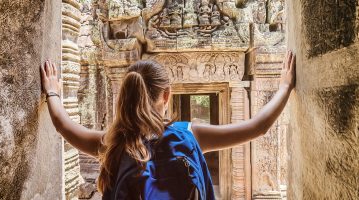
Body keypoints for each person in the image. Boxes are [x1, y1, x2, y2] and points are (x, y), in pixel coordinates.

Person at [40, 51, 296, 199]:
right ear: (166, 95)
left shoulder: (113, 143)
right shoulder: (190, 134)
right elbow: (258, 127)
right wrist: (284, 86)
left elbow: (63, 125)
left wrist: (52, 92)